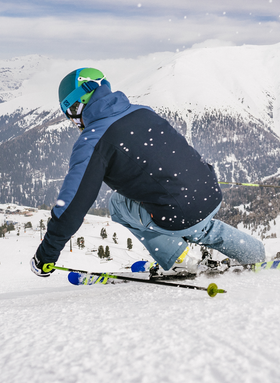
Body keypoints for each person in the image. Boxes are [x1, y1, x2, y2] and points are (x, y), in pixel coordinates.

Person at [30, 67, 265, 277]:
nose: (74, 121)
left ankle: (180, 261)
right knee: (202, 225)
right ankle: (255, 253)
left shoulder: (93, 140)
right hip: (209, 192)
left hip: (179, 212)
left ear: (78, 105)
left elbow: (72, 206)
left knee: (117, 205)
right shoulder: (143, 111)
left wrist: (46, 255)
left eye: (71, 112)